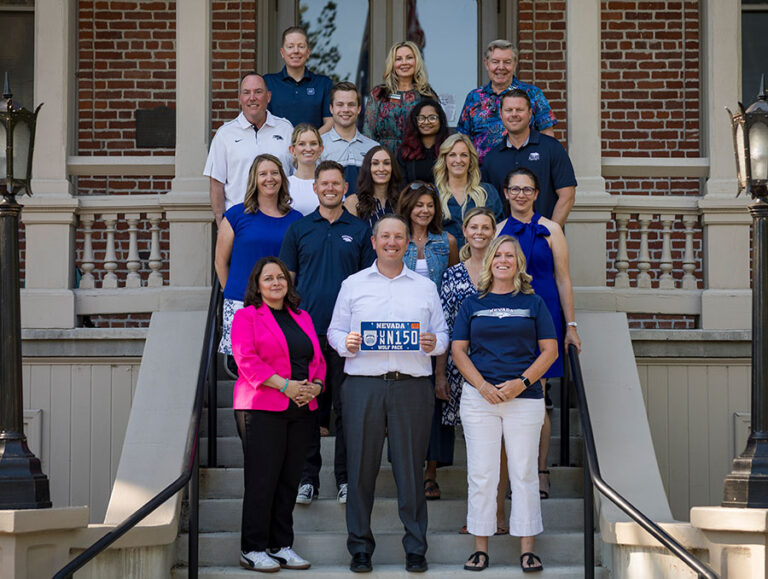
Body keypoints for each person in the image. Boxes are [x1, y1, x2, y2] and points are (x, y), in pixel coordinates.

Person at [327, 214, 449, 574]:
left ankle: (415, 547)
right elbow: (334, 330)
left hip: (411, 386)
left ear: (407, 242)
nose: (392, 242)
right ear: (375, 241)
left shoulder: (424, 287)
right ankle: (360, 548)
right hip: (363, 385)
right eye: (385, 237)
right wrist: (345, 343)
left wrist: (432, 343)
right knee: (361, 469)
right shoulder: (353, 284)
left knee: (411, 471)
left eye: (399, 237)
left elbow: (442, 334)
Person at [451, 235, 558, 573]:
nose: (503, 260)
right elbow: (457, 350)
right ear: (489, 261)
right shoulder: (472, 303)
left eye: (510, 255)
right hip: (479, 399)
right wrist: (482, 385)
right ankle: (481, 547)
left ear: (518, 263)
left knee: (523, 473)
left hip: (523, 399)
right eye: (498, 255)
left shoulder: (533, 302)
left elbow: (550, 351)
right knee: (482, 474)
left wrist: (521, 383)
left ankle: (527, 549)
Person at [280, 160, 376, 507]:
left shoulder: (362, 231)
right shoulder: (299, 230)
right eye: (325, 184)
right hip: (307, 333)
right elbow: (286, 282)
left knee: (346, 410)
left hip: (349, 336)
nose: (331, 188)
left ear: (345, 189)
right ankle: (307, 479)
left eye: (337, 184)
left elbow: (370, 284)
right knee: (307, 407)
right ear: (316, 188)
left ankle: (345, 479)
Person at [231, 256, 326, 573]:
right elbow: (246, 359)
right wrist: (285, 386)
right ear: (257, 286)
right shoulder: (246, 317)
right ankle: (252, 548)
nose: (276, 283)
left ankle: (281, 545)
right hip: (260, 407)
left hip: (301, 407)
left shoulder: (303, 317)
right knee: (263, 479)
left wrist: (315, 387)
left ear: (289, 283)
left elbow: (318, 360)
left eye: (281, 277)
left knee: (289, 479)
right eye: (268, 278)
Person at [497, 167, 582, 500]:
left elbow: (563, 279)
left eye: (527, 189)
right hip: (508, 320)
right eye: (515, 189)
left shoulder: (552, 230)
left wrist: (570, 326)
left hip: (544, 319)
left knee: (536, 396)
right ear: (506, 192)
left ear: (536, 194)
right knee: (509, 397)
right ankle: (513, 473)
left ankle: (539, 470)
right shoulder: (500, 230)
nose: (520, 194)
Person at [435, 208, 509, 535]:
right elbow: (444, 327)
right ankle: (479, 516)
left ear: (494, 231)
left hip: (500, 366)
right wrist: (440, 374)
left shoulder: (505, 271)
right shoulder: (451, 275)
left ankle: (500, 513)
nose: (479, 232)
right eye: (473, 227)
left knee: (501, 445)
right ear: (464, 232)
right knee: (477, 450)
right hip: (459, 368)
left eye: (486, 227)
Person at [215, 154, 302, 357]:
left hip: (280, 303)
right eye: (263, 174)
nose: (269, 178)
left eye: (274, 173)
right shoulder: (236, 215)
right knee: (244, 366)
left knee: (277, 361)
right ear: (255, 179)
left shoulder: (296, 219)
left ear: (282, 177)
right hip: (241, 302)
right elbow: (220, 261)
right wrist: (231, 293)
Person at [205, 72, 294, 225]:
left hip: (280, 218)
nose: (252, 98)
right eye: (246, 93)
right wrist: (222, 225)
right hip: (240, 220)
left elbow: (296, 175)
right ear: (240, 98)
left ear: (268, 96)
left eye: (258, 92)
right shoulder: (225, 134)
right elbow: (216, 184)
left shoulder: (286, 129)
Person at [481, 90, 576, 226]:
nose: (514, 114)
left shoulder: (551, 147)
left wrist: (550, 234)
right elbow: (489, 205)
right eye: (509, 110)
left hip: (544, 238)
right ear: (501, 115)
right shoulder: (492, 158)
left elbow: (567, 195)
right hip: (505, 241)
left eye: (519, 110)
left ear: (530, 114)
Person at [457, 39, 557, 165]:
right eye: (495, 62)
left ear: (515, 65)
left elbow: (547, 135)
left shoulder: (533, 94)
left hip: (524, 174)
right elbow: (464, 138)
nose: (501, 67)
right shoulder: (474, 97)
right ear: (486, 64)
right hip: (482, 176)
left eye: (507, 62)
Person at [362, 41, 437, 156]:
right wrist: (373, 159)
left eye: (409, 58)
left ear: (416, 61)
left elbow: (436, 133)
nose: (404, 63)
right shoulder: (378, 94)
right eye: (398, 59)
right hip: (385, 159)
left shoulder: (427, 95)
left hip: (418, 159)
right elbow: (368, 132)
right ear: (392, 63)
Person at [434, 133, 504, 248]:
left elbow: (499, 231)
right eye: (452, 155)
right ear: (444, 159)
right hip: (444, 261)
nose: (458, 160)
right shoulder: (434, 194)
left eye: (464, 155)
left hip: (482, 260)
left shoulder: (488, 193)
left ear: (471, 159)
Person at [264, 26, 333, 133]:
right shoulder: (268, 82)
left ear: (308, 52)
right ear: (282, 52)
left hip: (313, 148)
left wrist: (309, 141)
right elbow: (261, 121)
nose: (296, 51)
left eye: (301, 46)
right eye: (290, 46)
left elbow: (330, 122)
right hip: (277, 147)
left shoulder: (323, 84)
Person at [320, 82, 379, 196]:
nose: (345, 109)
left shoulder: (374, 148)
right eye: (340, 104)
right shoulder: (318, 147)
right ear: (331, 108)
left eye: (351, 104)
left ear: (359, 109)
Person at [344, 145, 402, 230]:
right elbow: (349, 238)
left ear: (393, 168)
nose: (381, 169)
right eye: (375, 163)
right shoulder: (353, 201)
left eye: (386, 163)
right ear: (368, 168)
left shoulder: (402, 201)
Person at [397, 98, 448, 184]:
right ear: (415, 121)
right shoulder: (405, 152)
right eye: (421, 118)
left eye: (432, 118)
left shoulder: (449, 149)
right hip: (412, 197)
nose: (426, 122)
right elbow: (401, 185)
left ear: (441, 121)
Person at [287, 123, 323, 216]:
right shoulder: (284, 185)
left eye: (313, 143)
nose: (308, 148)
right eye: (302, 144)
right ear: (292, 150)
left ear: (320, 149)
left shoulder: (329, 184)